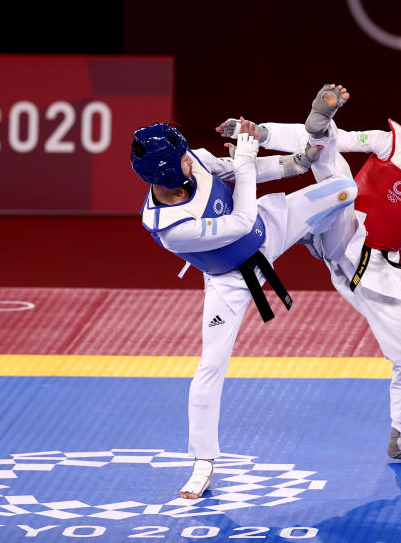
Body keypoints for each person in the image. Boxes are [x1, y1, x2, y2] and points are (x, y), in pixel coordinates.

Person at [218, 87, 401, 468]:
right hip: (337, 226)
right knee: (329, 152)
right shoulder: (389, 141)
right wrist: (260, 133)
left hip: (375, 270)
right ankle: (265, 237)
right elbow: (335, 141)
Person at [131, 88, 357, 499]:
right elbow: (239, 219)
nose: (190, 158)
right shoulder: (168, 225)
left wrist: (296, 163)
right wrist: (247, 160)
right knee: (210, 366)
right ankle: (202, 463)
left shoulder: (193, 158)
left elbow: (235, 173)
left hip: (271, 227)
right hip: (230, 279)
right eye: (181, 158)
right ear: (165, 173)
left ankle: (319, 245)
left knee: (345, 190)